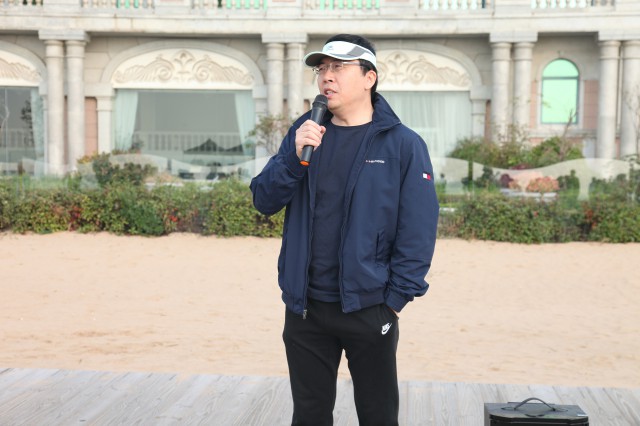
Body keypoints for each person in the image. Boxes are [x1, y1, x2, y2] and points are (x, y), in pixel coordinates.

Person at [250, 34, 439, 425]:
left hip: (369, 307)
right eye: (322, 68)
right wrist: (293, 159)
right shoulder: (305, 132)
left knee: (378, 416)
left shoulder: (403, 144)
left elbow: (418, 231)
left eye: (338, 67)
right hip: (305, 308)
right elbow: (264, 200)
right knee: (309, 416)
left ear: (370, 77)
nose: (326, 77)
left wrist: (394, 301)